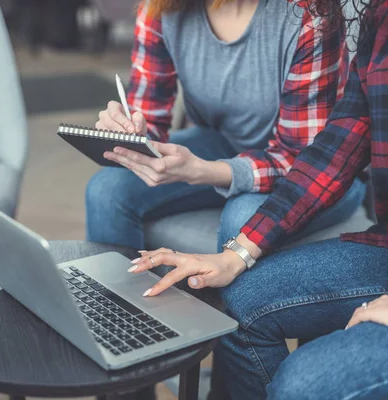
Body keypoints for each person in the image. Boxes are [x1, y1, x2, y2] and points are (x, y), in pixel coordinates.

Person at [128, 0, 388, 398]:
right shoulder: (379, 18)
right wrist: (235, 256)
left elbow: (297, 152)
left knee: (301, 382)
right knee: (235, 301)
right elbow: (333, 154)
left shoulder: (304, 17)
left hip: (288, 168)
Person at [86, 0, 367, 252]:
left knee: (243, 219)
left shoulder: (309, 15)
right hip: (224, 144)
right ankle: (118, 307)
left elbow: (303, 159)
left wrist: (205, 172)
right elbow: (148, 118)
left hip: (321, 171)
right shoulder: (160, 8)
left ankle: (223, 308)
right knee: (106, 190)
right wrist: (128, 131)